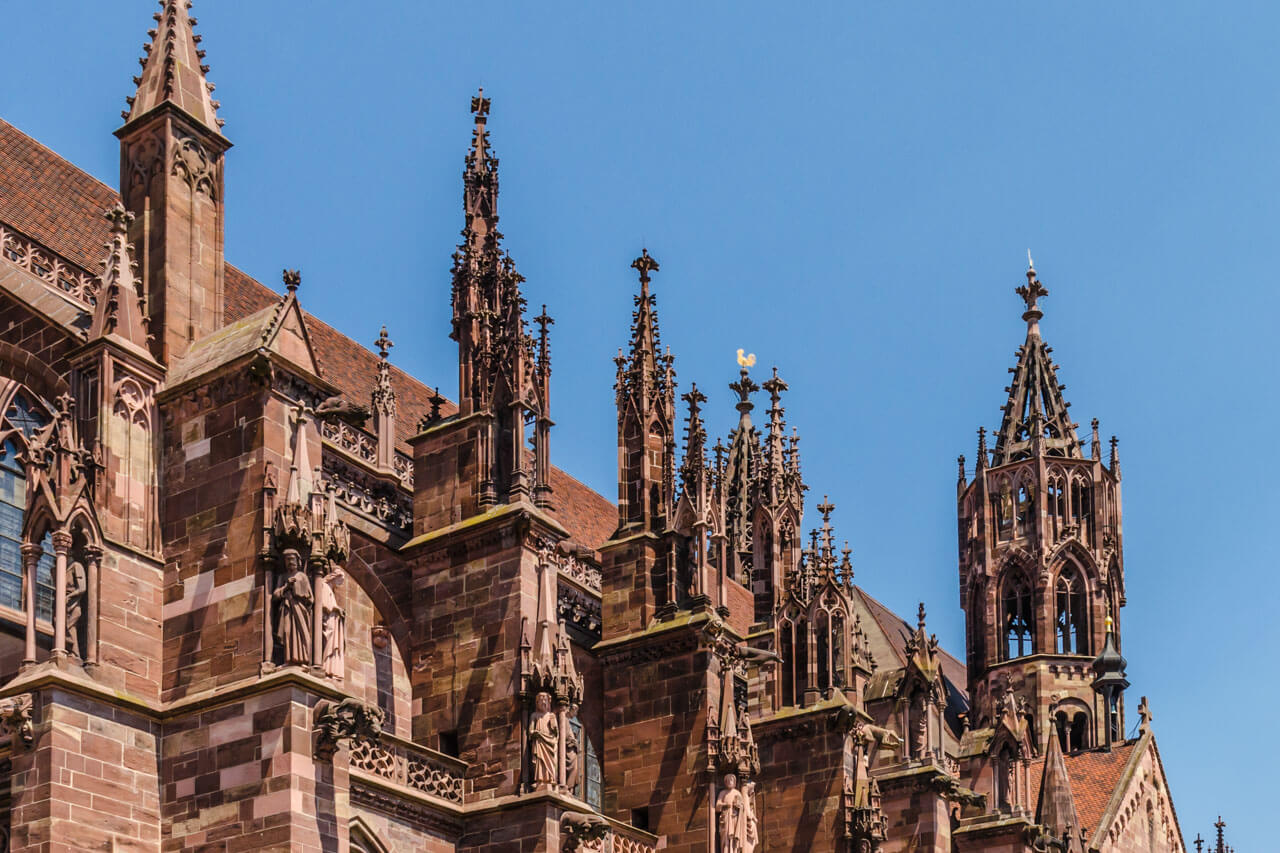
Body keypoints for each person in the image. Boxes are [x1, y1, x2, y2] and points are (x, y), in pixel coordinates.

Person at [273, 549, 313, 665]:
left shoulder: (302, 576)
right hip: (287, 609)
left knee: (300, 635)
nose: (290, 562)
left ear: (297, 560)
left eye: (292, 559)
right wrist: (286, 587)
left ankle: (302, 660)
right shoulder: (282, 577)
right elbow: (275, 596)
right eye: (287, 559)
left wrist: (299, 593)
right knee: (287, 632)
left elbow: (311, 599)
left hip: (300, 609)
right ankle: (288, 659)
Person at [318, 569, 346, 679]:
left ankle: (330, 667)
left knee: (333, 644)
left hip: (333, 620)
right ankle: (326, 665)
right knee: (329, 642)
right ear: (334, 577)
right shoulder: (324, 587)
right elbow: (324, 605)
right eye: (339, 581)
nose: (339, 584)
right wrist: (336, 609)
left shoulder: (329, 589)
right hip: (329, 619)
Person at [529, 691, 558, 787]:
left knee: (550, 760)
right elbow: (530, 731)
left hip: (550, 740)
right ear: (537, 703)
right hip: (539, 741)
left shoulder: (551, 716)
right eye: (541, 700)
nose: (543, 702)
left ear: (549, 702)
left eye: (545, 700)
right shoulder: (534, 715)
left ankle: (551, 778)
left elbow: (556, 732)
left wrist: (554, 727)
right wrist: (534, 733)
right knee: (540, 760)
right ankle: (540, 780)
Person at [716, 773, 745, 853]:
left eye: (731, 780)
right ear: (725, 782)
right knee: (725, 837)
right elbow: (717, 807)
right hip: (725, 818)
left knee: (734, 838)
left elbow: (743, 808)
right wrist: (725, 804)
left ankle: (734, 851)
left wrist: (738, 806)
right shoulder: (722, 793)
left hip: (734, 818)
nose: (729, 782)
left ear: (735, 782)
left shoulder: (737, 793)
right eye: (727, 780)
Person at [65, 559, 87, 658]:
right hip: (62, 604)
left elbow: (82, 588)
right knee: (60, 624)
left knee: (69, 627)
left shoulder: (76, 565)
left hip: (73, 604)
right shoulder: (59, 569)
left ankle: (74, 653)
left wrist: (69, 597)